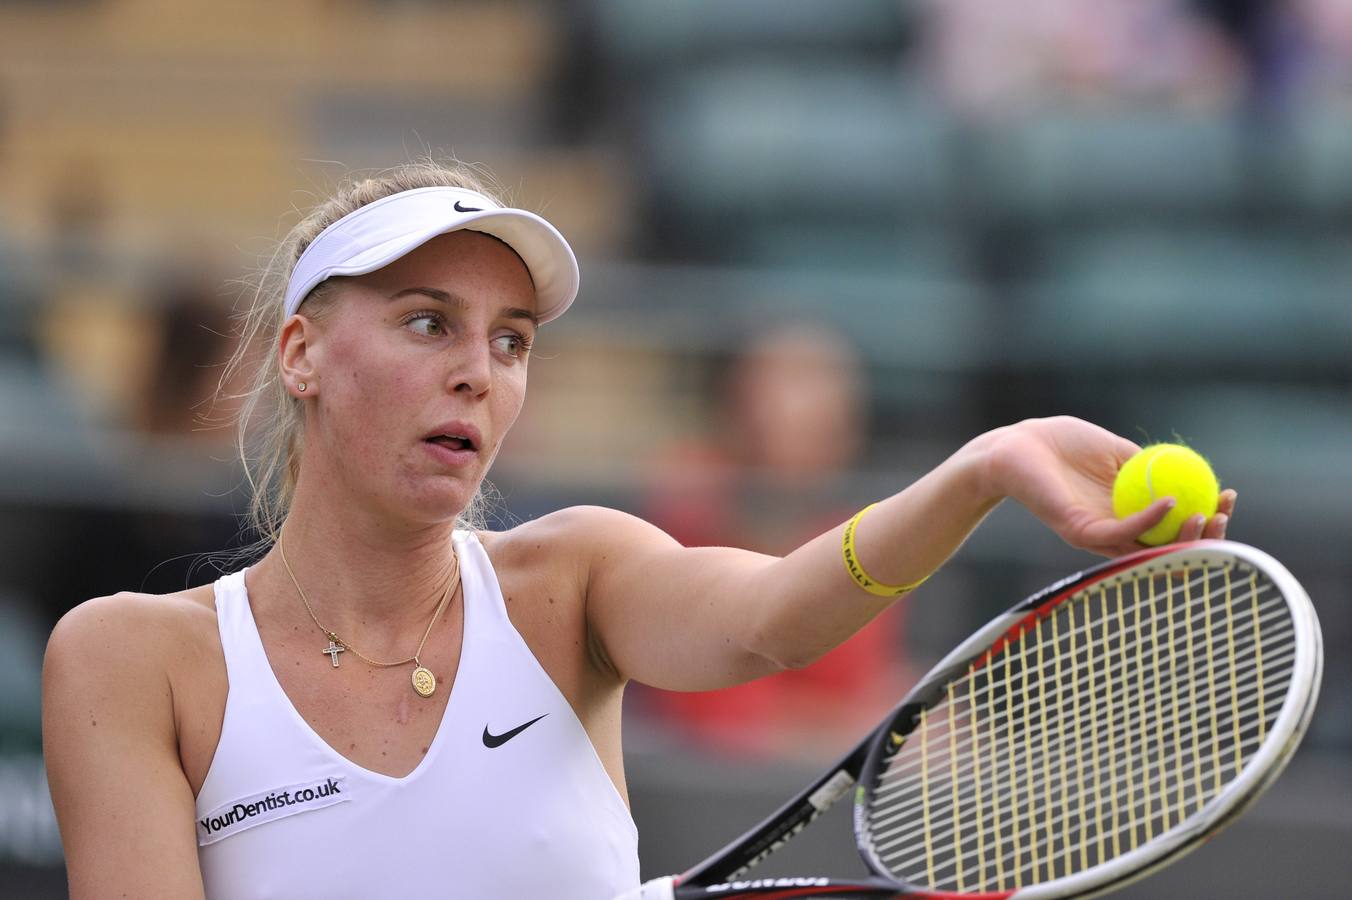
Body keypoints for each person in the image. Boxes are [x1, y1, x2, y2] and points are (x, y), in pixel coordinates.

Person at [41, 161, 1236, 900]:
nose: (477, 373)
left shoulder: (575, 580)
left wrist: (978, 469)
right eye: (425, 324)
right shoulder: (130, 660)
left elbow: (771, 621)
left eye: (509, 341)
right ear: (301, 353)